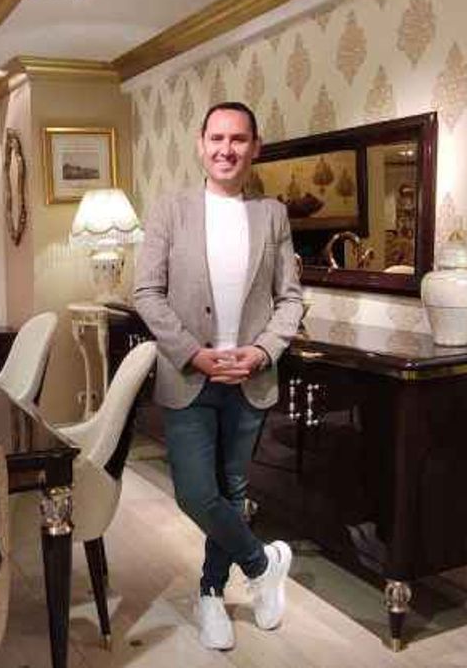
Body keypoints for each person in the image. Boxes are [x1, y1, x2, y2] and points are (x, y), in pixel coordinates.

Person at [133, 101, 303, 650]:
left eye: (238, 139)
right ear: (201, 144)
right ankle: (262, 565)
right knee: (195, 493)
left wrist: (262, 351)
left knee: (232, 491)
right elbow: (146, 293)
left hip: (249, 379)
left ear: (255, 147)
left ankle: (210, 593)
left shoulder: (272, 215)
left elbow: (290, 298)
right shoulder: (171, 210)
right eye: (217, 138)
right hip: (191, 377)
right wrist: (193, 354)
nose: (226, 149)